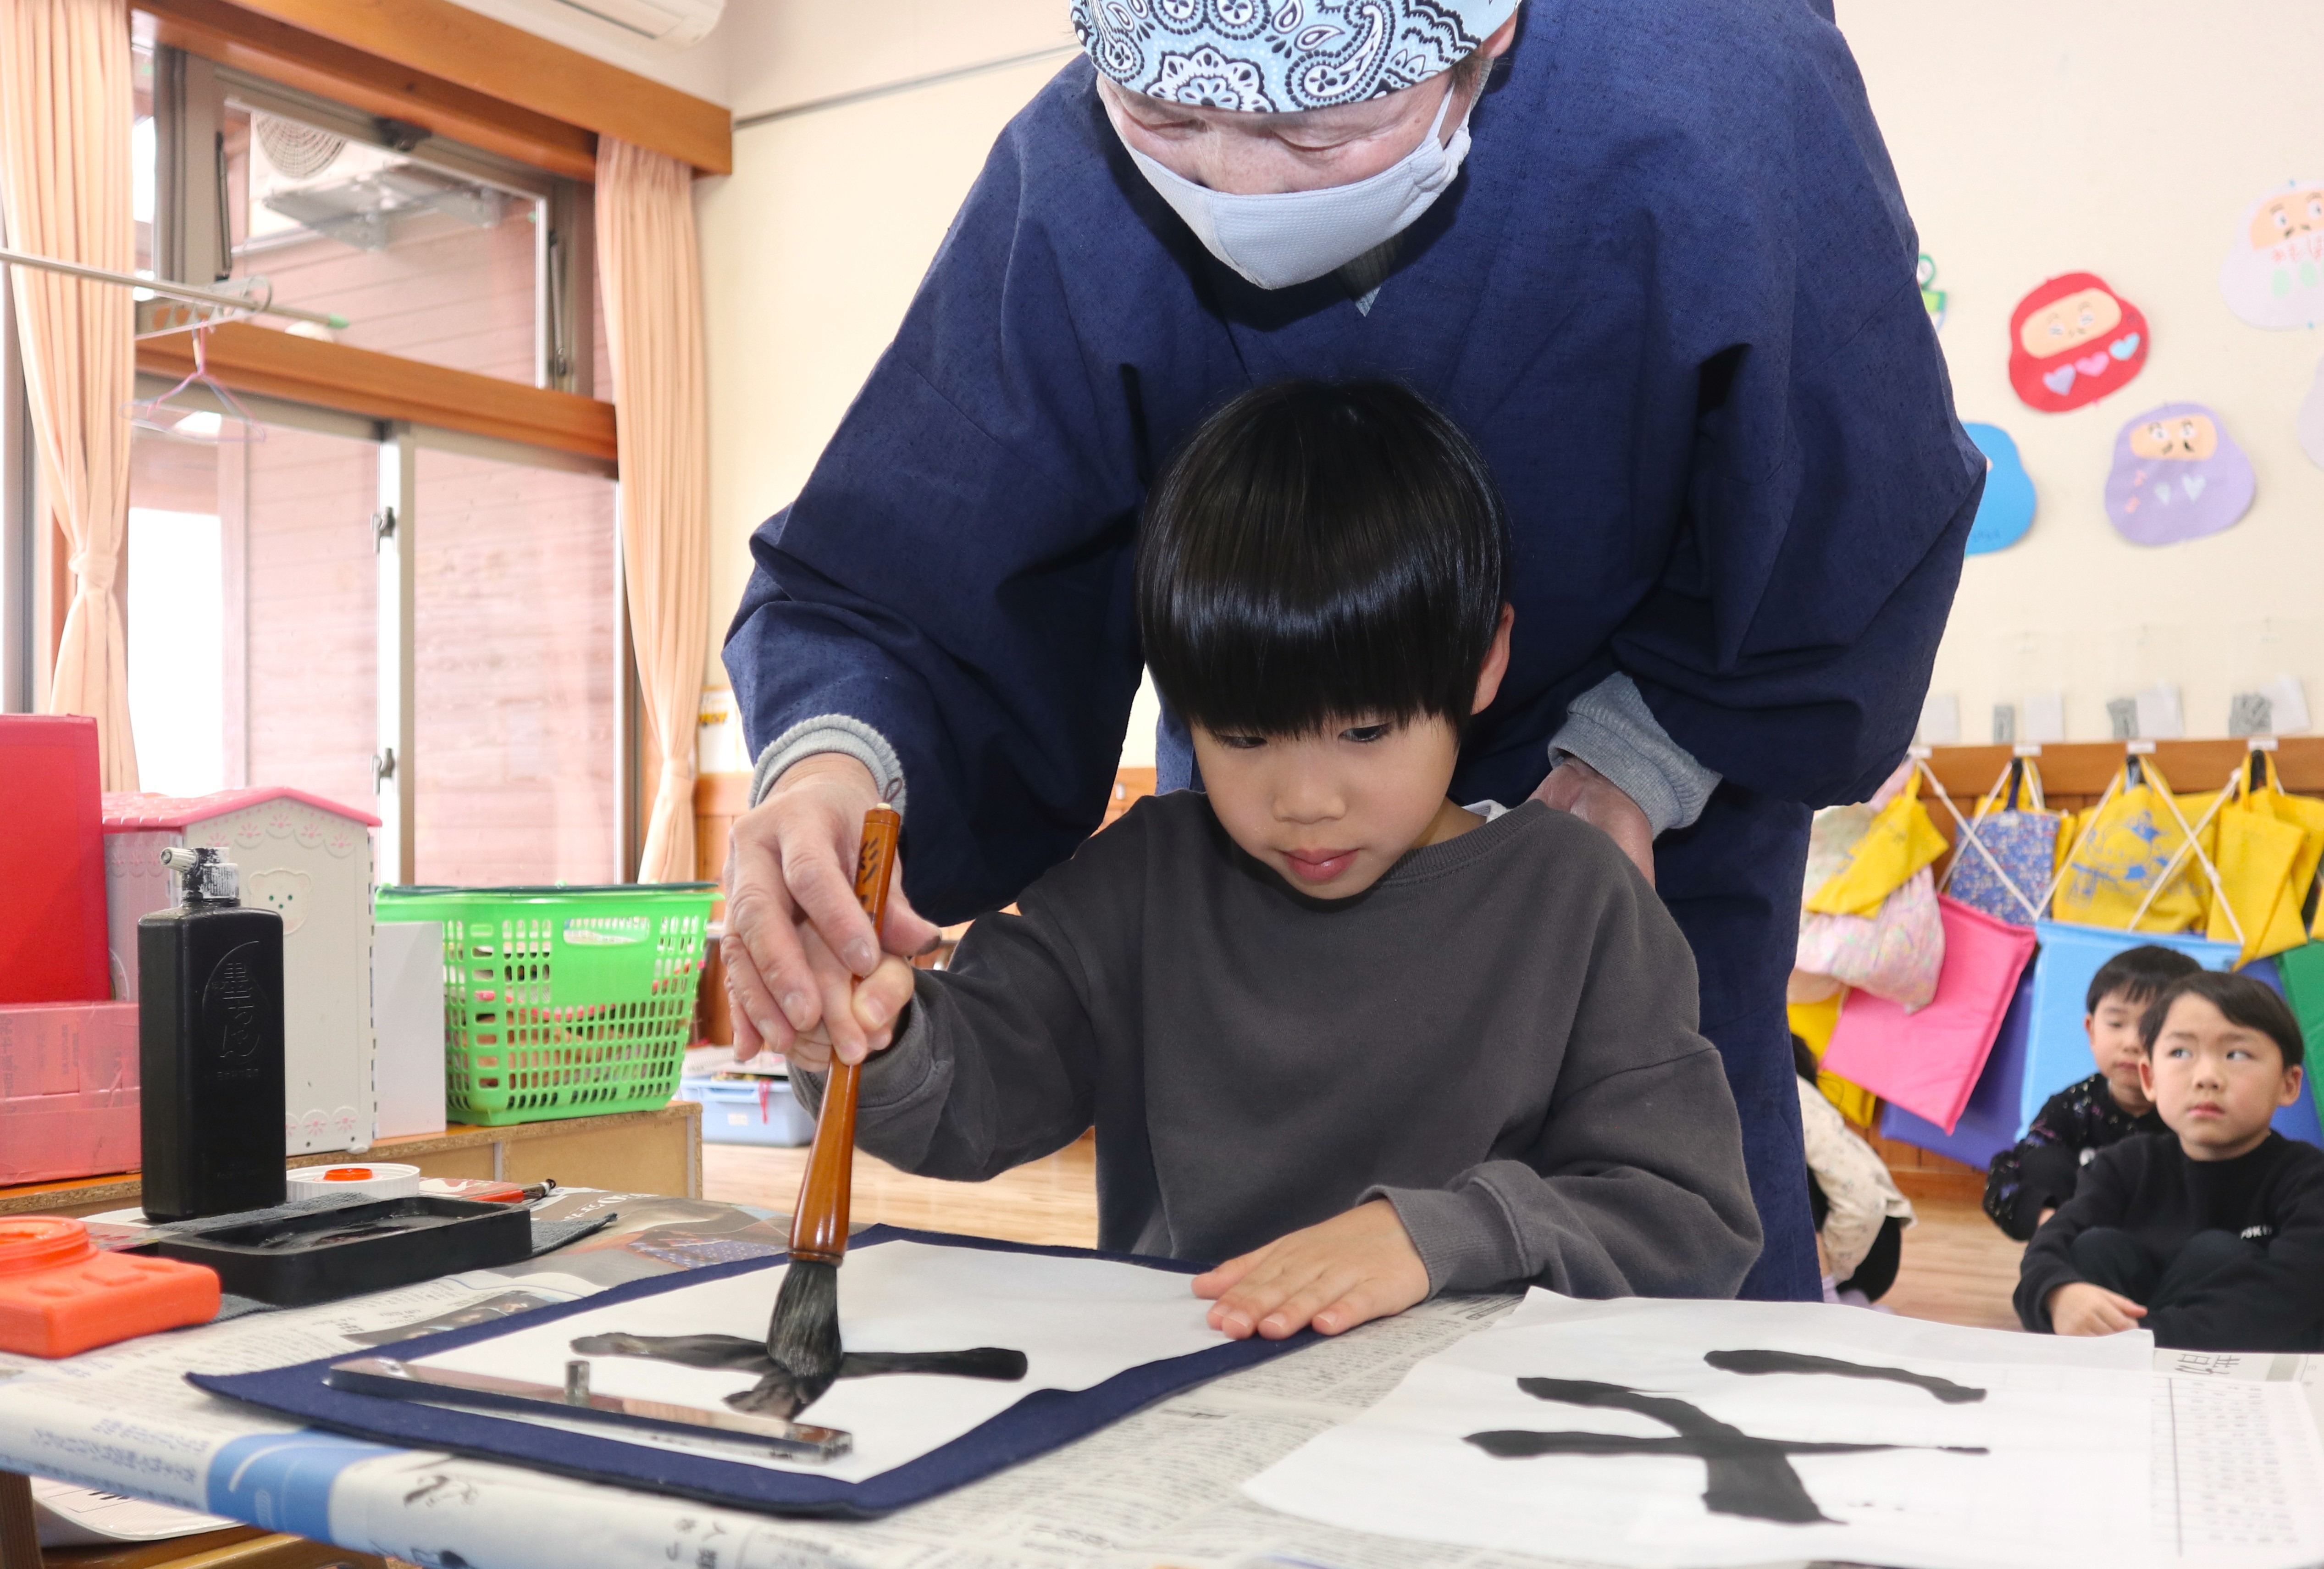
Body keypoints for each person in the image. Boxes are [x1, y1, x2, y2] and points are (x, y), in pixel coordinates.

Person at [720, 0, 1983, 1303]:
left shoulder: (1716, 86)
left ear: (1484, 44)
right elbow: (915, 550)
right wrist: (830, 781)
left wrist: (1632, 768)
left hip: (1652, 804)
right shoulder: (1171, 880)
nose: (1230, 183)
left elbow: (1849, 511)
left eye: (1315, 135)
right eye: (1165, 120)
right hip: (1237, 863)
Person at [785, 382, 1763, 1340]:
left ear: (1481, 663)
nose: (1304, 801)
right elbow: (976, 1093)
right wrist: (878, 1036)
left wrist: (1430, 1238)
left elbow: (1685, 1223)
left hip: (1468, 1445)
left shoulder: (1576, 900)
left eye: (1366, 731)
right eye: (1246, 738)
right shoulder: (1139, 886)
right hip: (1178, 1410)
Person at [2016, 972, 2324, 1351]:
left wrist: (2146, 1339)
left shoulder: (2308, 1177)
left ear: (2288, 1084)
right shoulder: (2125, 1164)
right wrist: (2058, 1295)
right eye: (2181, 1053)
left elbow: (2297, 1291)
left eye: (2237, 1054)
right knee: (2094, 1248)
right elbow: (2050, 1244)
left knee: (2216, 1253)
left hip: (2239, 1379)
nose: (2207, 1077)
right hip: (2116, 1370)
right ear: (2149, 1077)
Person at [1981, 945, 2198, 1240]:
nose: (2132, 1043)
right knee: (2042, 1160)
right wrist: (2047, 1219)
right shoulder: (2074, 1106)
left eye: (2152, 1026)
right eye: (2116, 1023)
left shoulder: (2196, 1108)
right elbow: (2008, 1172)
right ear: (2091, 1031)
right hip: (2079, 1244)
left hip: (2167, 1248)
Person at [1792, 1038, 1912, 1305]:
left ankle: (1832, 1303)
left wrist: (1826, 1281)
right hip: (1868, 1242)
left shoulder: (1787, 1093)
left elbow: (1863, 1198)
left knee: (1782, 1168)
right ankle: (1849, 1300)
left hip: (1866, 1242)